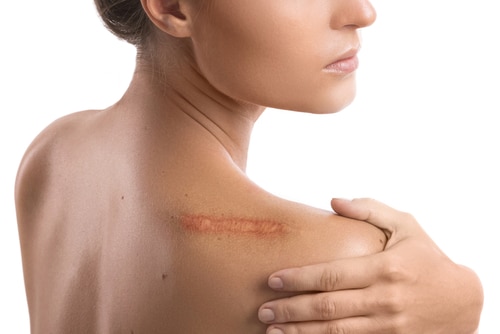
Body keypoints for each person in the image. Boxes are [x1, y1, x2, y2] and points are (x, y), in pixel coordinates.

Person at [14, 0, 482, 333]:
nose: (361, 12)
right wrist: (461, 310)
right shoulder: (339, 268)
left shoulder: (53, 156)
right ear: (173, 7)